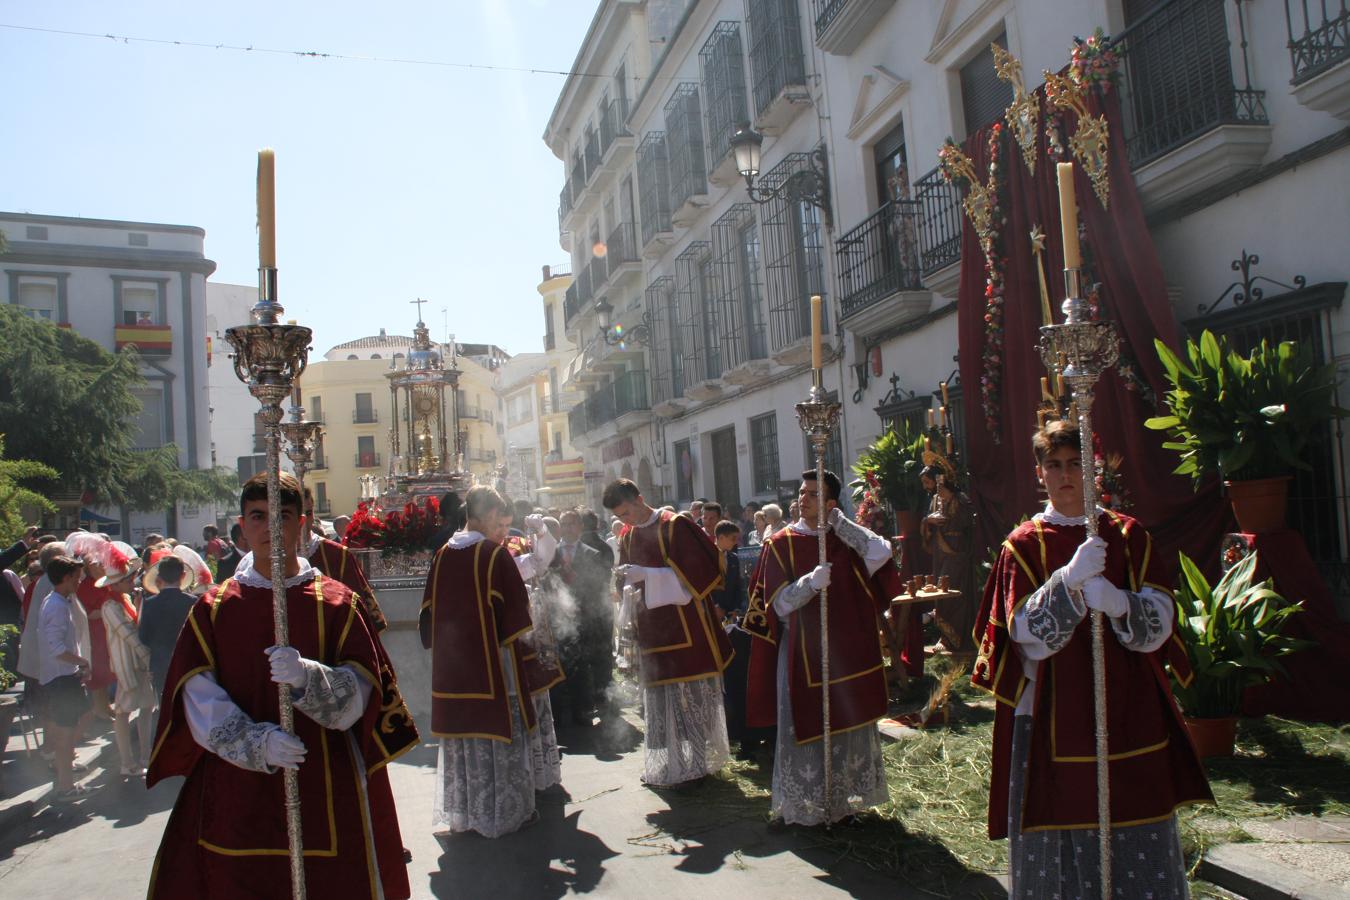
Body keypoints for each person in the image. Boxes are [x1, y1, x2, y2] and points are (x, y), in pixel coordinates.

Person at [147, 471, 417, 899]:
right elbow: (196, 695)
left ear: (302, 524)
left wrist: (309, 678)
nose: (270, 528)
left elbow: (365, 694)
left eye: (284, 517)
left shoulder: (337, 604)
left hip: (324, 782)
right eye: (258, 516)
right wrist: (255, 743)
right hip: (236, 789)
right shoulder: (214, 608)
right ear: (241, 524)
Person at [972, 420, 1212, 897]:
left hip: (1128, 707)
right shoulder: (1022, 544)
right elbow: (1020, 632)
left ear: (1092, 468)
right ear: (1040, 473)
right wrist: (1068, 583)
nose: (1065, 475)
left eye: (1075, 464)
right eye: (1054, 465)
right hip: (1049, 713)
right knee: (1059, 817)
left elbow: (1162, 618)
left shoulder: (1127, 534)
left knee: (1134, 809)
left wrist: (1119, 602)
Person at [744, 470, 900, 826]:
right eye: (802, 492)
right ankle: (805, 806)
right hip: (801, 653)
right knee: (804, 727)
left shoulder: (843, 541)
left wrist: (840, 524)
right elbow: (776, 605)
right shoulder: (780, 542)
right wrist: (809, 584)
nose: (803, 499)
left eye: (814, 494)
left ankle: (844, 803)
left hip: (847, 653)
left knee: (846, 726)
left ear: (830, 503)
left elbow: (881, 552)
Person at [419, 485, 539, 837]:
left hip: (453, 668)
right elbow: (517, 616)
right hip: (493, 664)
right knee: (498, 732)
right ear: (486, 515)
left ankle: (467, 812)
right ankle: (504, 812)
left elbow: (427, 612)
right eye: (497, 518)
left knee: (463, 739)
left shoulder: (442, 553)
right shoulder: (493, 554)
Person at [603, 478, 732, 788]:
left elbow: (699, 578)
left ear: (639, 498)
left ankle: (698, 767)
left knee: (692, 698)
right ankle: (673, 765)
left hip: (686, 626)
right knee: (663, 702)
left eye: (626, 512)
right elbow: (630, 580)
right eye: (619, 516)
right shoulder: (629, 535)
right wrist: (626, 585)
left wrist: (646, 575)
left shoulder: (674, 525)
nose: (625, 520)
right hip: (653, 631)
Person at [493, 509, 563, 791]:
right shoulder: (479, 551)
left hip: (527, 635)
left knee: (533, 700)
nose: (502, 530)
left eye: (507, 524)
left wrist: (542, 533)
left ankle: (537, 768)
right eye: (498, 524)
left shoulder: (516, 544)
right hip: (499, 637)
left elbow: (542, 562)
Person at [93, 542, 156, 777]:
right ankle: (127, 761)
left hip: (137, 664)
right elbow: (129, 635)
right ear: (116, 583)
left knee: (146, 707)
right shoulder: (110, 604)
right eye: (129, 579)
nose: (133, 582)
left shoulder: (125, 600)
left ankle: (145, 755)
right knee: (123, 711)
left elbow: (137, 627)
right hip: (128, 665)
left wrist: (139, 606)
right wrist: (149, 658)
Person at [550, 509, 612, 726]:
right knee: (558, 665)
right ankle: (558, 714)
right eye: (563, 524)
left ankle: (582, 710)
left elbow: (598, 587)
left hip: (584, 618)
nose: (567, 528)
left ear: (580, 527)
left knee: (582, 666)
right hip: (557, 619)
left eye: (571, 524)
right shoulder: (550, 554)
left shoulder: (592, 554)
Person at [38, 555, 92, 800]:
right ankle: (65, 786)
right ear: (66, 578)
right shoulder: (56, 606)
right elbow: (56, 648)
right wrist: (81, 661)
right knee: (65, 732)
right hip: (60, 680)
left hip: (64, 677)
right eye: (77, 577)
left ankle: (66, 775)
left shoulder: (59, 601)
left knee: (70, 728)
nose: (80, 581)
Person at [303, 487, 388, 632]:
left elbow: (361, 613)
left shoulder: (337, 556)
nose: (303, 521)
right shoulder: (260, 560)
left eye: (308, 513)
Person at [925, 472, 977, 652]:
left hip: (957, 552)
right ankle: (945, 636)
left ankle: (958, 637)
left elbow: (969, 522)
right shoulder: (934, 501)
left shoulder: (960, 500)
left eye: (942, 486)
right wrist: (928, 520)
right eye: (937, 486)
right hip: (940, 552)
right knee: (941, 591)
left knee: (954, 591)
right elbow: (926, 522)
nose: (938, 489)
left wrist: (950, 515)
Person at [138, 553, 200, 694]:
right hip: (188, 662)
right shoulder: (193, 602)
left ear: (159, 577)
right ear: (183, 575)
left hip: (160, 663)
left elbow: (143, 637)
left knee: (164, 705)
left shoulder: (149, 603)